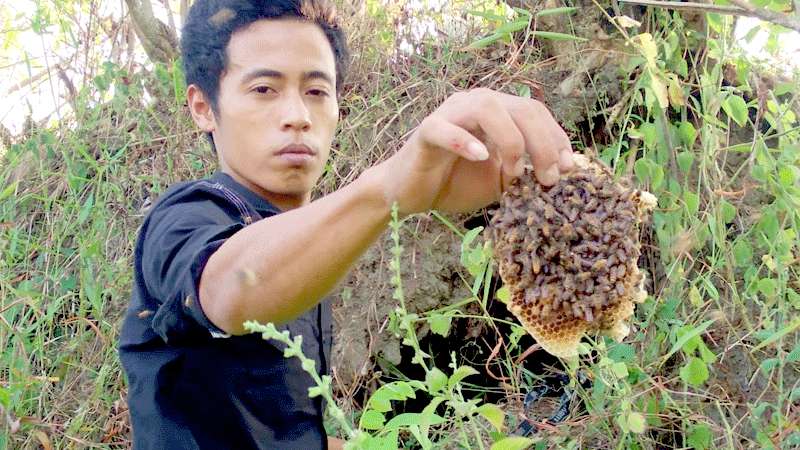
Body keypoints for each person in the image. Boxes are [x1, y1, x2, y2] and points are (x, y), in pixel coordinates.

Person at [117, 0, 575, 448]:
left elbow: (282, 427)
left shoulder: (307, 240)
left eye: (317, 91)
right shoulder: (183, 217)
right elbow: (230, 287)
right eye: (264, 89)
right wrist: (386, 189)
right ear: (203, 107)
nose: (297, 116)